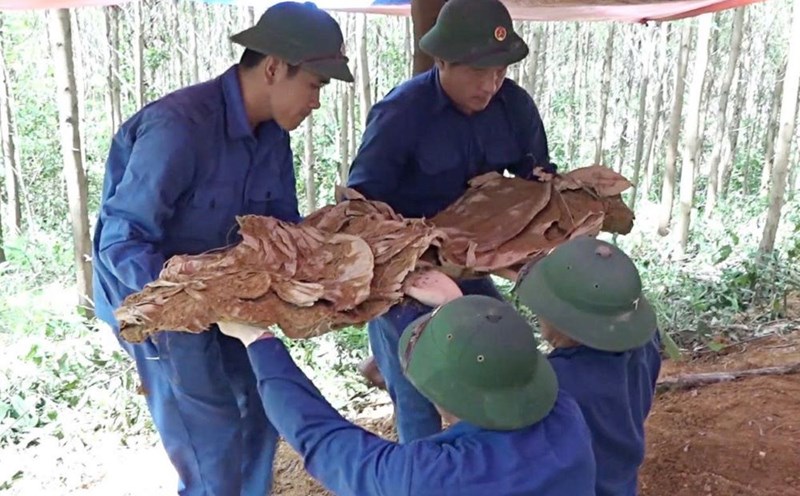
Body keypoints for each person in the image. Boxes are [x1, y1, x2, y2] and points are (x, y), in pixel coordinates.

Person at [91, 3, 353, 494]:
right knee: (209, 431)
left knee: (259, 405)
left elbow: (279, 227)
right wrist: (198, 298)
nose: (317, 101)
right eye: (316, 84)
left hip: (233, 295)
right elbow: (121, 240)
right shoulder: (178, 127)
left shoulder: (273, 135)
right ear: (274, 67)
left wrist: (331, 262)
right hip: (159, 303)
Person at [346, 0, 555, 443]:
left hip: (475, 262)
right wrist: (401, 265)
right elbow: (360, 206)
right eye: (478, 72)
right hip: (408, 270)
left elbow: (539, 178)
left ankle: (493, 470)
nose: (491, 84)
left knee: (497, 360)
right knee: (416, 386)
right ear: (442, 61)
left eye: (500, 71)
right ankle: (420, 470)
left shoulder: (514, 107)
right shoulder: (401, 114)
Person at [217, 293, 597, 496]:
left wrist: (258, 340)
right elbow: (498, 360)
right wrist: (459, 308)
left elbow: (324, 439)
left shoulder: (433, 476)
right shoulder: (565, 416)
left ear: (440, 396)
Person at [515, 236, 663, 496]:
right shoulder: (646, 340)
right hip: (619, 477)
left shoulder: (557, 383)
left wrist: (453, 307)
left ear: (561, 321)